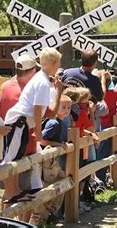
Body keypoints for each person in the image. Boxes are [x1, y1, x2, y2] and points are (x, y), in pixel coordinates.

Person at [2, 48, 62, 213]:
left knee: (17, 156)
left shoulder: (40, 78)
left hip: (22, 123)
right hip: (19, 122)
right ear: (54, 63)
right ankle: (11, 191)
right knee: (10, 158)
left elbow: (44, 111)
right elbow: (37, 109)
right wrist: (39, 132)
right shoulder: (42, 82)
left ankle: (14, 191)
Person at [30, 95, 72, 225]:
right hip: (45, 161)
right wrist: (58, 145)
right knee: (48, 186)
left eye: (69, 107)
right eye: (63, 107)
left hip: (51, 161)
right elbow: (41, 139)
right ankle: (41, 217)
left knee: (63, 181)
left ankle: (49, 213)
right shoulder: (54, 123)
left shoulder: (61, 122)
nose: (67, 110)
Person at [0, 55, 38, 120]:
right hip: (21, 129)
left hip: (4, 127)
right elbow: (48, 113)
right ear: (33, 71)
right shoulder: (27, 91)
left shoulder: (5, 86)